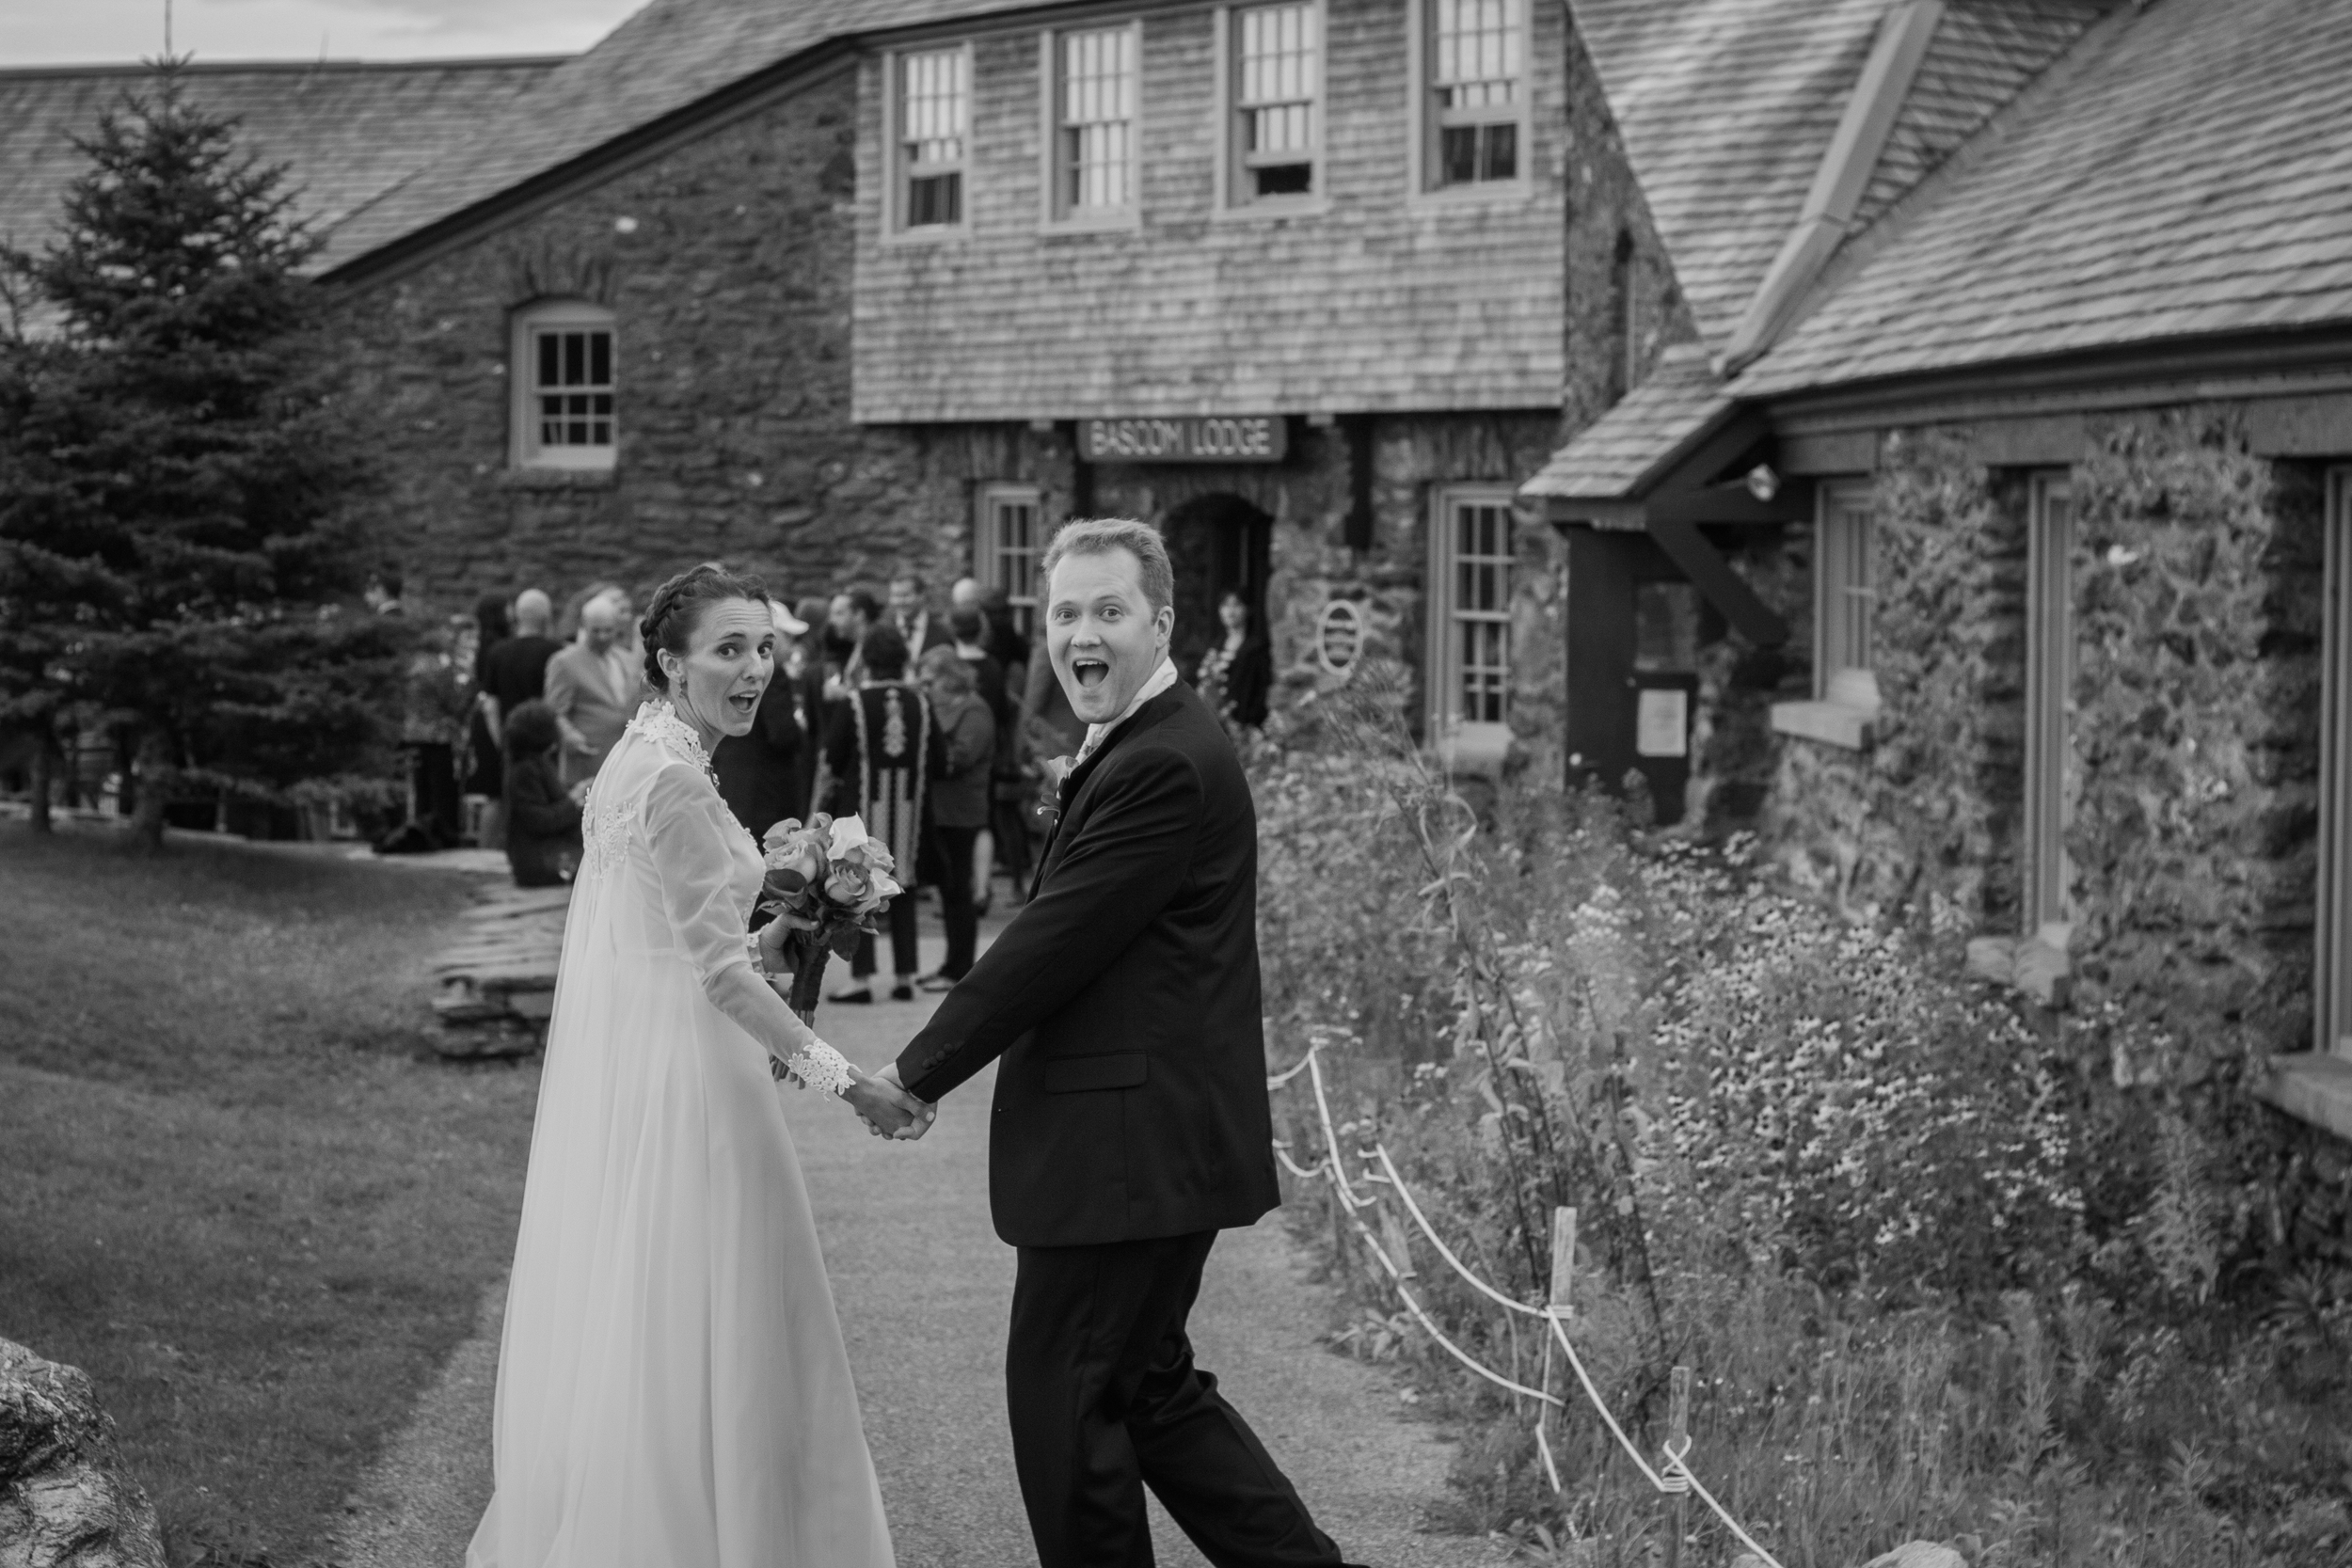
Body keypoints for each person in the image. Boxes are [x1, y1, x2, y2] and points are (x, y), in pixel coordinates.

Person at [877, 519, 1365, 1568]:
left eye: (1107, 609)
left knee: (1066, 1400)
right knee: (1143, 1387)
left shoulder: (1165, 763)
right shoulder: (1149, 739)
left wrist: (913, 1071)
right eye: (1063, 612)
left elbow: (1055, 939)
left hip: (1126, 1143)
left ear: (1161, 621)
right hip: (1142, 1137)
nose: (1080, 631)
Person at [466, 562, 923, 1568]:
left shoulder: (648, 752)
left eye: (762, 647)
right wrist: (854, 1085)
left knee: (675, 1327)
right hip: (696, 1094)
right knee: (731, 1320)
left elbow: (675, 941)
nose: (754, 666)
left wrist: (787, 891)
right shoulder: (673, 777)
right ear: (668, 660)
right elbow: (717, 976)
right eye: (728, 649)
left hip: (664, 1076)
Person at [822, 624, 939, 1004]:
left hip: (862, 807)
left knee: (857, 888)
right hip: (910, 806)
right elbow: (940, 756)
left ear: (868, 660)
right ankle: (906, 975)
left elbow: (833, 758)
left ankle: (862, 978)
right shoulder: (921, 702)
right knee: (903, 884)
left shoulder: (853, 702)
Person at [917, 645, 993, 990]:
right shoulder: (943, 708)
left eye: (929, 680)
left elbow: (961, 757)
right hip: (943, 812)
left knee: (959, 893)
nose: (924, 687)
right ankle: (951, 964)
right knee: (948, 893)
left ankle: (960, 969)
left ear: (949, 679)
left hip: (962, 813)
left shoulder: (974, 710)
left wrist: (930, 754)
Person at [712, 597, 815, 841]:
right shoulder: (773, 676)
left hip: (731, 784)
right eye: (789, 638)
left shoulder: (729, 670)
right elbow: (783, 735)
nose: (793, 646)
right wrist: (804, 733)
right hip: (765, 795)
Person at [947, 606, 1009, 911]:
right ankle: (981, 888)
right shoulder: (994, 667)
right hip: (989, 749)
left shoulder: (951, 666)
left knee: (965, 824)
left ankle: (960, 888)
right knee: (984, 821)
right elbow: (1002, 711)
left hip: (958, 752)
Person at [545, 594, 643, 785]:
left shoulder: (626, 659)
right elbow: (554, 712)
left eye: (609, 630)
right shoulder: (564, 662)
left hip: (626, 763)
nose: (603, 637)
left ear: (618, 627)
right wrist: (569, 736)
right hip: (588, 763)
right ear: (583, 625)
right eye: (595, 631)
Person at [499, 701, 581, 887]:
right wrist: (574, 801)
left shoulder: (536, 764)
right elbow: (539, 820)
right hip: (539, 860)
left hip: (546, 854)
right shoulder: (525, 771)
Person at [480, 588, 564, 737]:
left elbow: (490, 706)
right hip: (546, 739)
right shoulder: (557, 653)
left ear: (516, 615)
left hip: (511, 737)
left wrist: (500, 743)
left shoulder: (497, 652)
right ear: (547, 616)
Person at [464, 594, 514, 828]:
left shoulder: (485, 645)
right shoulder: (497, 648)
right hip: (492, 722)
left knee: (495, 794)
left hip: (483, 722)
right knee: (496, 793)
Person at [1195, 589, 1273, 732]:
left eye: (1236, 605)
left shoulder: (1256, 648)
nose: (1230, 611)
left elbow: (1263, 689)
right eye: (1225, 605)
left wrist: (1250, 719)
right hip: (1215, 725)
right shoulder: (1215, 647)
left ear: (1248, 609)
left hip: (1244, 726)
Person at [887, 570, 934, 663]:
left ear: (922, 595)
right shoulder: (885, 630)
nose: (900, 601)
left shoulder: (941, 631)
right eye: (895, 596)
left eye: (905, 595)